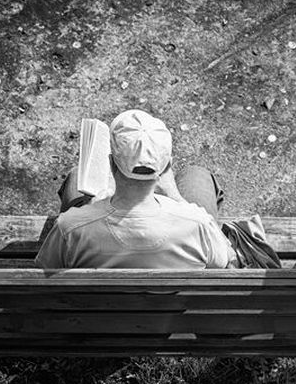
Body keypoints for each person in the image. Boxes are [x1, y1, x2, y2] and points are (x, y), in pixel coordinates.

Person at [35, 109, 234, 269]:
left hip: (97, 316)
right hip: (175, 316)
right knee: (195, 174)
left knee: (77, 175)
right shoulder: (198, 224)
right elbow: (223, 261)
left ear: (111, 164)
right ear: (166, 168)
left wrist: (92, 206)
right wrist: (175, 197)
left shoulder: (70, 227)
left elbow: (46, 267)